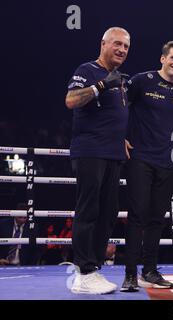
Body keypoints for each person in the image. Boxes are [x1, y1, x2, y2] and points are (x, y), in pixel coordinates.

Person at [121, 40, 173, 292]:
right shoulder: (142, 81)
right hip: (140, 158)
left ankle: (149, 270)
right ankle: (130, 273)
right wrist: (119, 136)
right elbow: (119, 107)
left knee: (156, 218)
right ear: (163, 58)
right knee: (137, 215)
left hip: (169, 161)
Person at [65, 27, 130, 294]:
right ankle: (83, 271)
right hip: (90, 150)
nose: (122, 50)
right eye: (117, 44)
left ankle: (94, 267)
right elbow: (71, 100)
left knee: (108, 212)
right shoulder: (88, 70)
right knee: (89, 210)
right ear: (103, 43)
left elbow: (115, 115)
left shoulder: (119, 78)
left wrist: (122, 137)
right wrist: (100, 86)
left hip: (113, 151)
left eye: (126, 46)